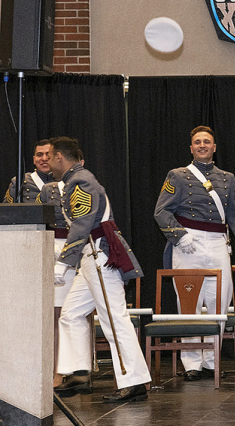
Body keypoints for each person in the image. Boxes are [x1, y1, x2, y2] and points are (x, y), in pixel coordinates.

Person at [50, 137, 151, 402]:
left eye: (50, 156)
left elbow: (82, 225)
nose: (48, 162)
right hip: (89, 258)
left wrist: (63, 261)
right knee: (71, 315)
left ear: (60, 156)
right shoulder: (75, 180)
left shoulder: (80, 181)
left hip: (98, 256)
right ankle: (78, 372)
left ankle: (133, 380)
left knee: (114, 317)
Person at [154, 126, 235, 381]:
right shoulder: (177, 175)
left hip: (219, 242)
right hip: (189, 243)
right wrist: (180, 235)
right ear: (191, 148)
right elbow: (161, 211)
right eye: (197, 142)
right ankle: (192, 363)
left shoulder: (228, 178)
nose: (202, 145)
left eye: (207, 142)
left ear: (214, 147)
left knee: (219, 302)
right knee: (189, 304)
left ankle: (212, 360)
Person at [39, 175, 75, 387]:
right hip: (53, 247)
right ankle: (58, 371)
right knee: (56, 315)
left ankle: (81, 371)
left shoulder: (85, 185)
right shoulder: (47, 189)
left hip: (77, 247)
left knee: (79, 316)